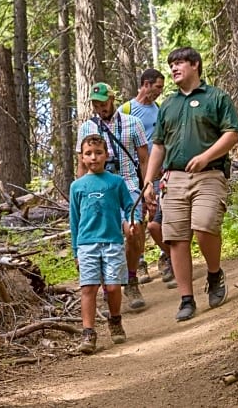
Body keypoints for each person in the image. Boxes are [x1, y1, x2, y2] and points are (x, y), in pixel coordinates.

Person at [142, 47, 238, 322]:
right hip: (173, 179)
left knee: (205, 224)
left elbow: (232, 133)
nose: (174, 69)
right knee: (175, 237)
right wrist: (149, 181)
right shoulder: (169, 105)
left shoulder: (216, 97)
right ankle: (186, 298)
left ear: (195, 65)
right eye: (171, 64)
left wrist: (206, 156)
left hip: (210, 174)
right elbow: (159, 146)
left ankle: (213, 273)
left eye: (180, 63)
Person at [76, 82, 149, 310]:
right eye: (96, 104)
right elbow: (81, 163)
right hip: (99, 190)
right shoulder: (86, 129)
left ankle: (131, 277)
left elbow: (144, 159)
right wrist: (79, 192)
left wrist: (147, 187)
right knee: (105, 238)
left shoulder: (132, 123)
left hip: (129, 186)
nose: (100, 107)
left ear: (112, 99)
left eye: (103, 102)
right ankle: (111, 285)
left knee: (133, 231)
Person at [69, 134, 137, 354]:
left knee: (113, 287)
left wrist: (130, 223)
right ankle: (88, 333)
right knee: (88, 288)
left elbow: (128, 206)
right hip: (86, 244)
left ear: (107, 155)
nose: (94, 157)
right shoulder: (77, 187)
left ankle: (115, 320)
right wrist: (75, 251)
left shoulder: (115, 182)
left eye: (98, 153)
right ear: (81, 157)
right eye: (88, 153)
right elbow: (74, 220)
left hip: (112, 242)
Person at [121, 68, 175, 287]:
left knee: (156, 216)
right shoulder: (125, 110)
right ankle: (140, 261)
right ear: (145, 84)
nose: (160, 92)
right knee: (138, 218)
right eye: (157, 87)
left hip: (156, 173)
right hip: (133, 174)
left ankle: (167, 258)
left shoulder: (159, 109)